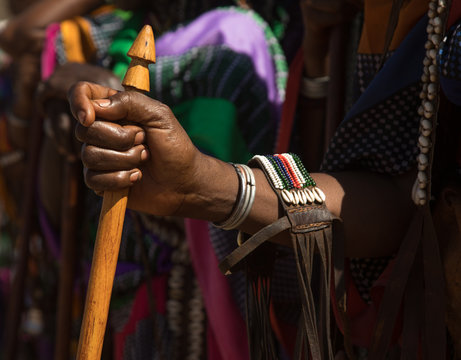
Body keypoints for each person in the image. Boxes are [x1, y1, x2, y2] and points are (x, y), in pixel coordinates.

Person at [68, 0, 461, 357]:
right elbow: (400, 195)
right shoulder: (396, 16)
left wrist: (203, 184)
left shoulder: (237, 39)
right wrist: (200, 183)